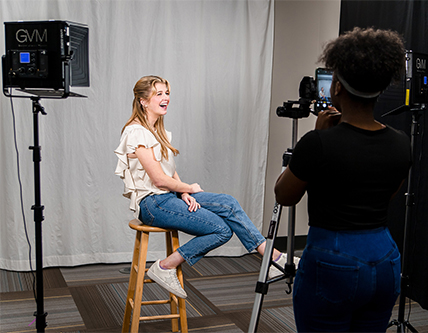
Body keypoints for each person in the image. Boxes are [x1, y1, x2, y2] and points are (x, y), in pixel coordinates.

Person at [274, 27, 411, 332]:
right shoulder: (402, 143)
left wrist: (316, 138)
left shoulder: (318, 143)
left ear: (336, 88)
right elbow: (385, 195)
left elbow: (284, 195)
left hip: (332, 261)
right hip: (386, 257)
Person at [115, 75, 298, 299]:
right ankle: (165, 266)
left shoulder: (156, 130)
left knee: (228, 203)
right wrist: (189, 188)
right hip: (153, 204)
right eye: (158, 94)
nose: (166, 98)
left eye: (167, 93)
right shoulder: (136, 132)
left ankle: (270, 257)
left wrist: (183, 192)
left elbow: (169, 171)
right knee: (221, 230)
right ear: (143, 101)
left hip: (168, 198)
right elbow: (158, 180)